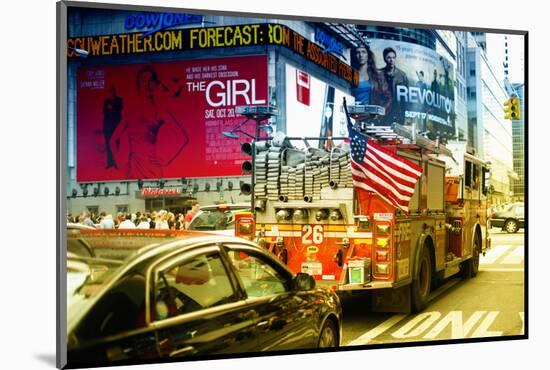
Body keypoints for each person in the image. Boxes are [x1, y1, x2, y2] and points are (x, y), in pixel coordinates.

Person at [110, 66, 189, 179]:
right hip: (133, 166)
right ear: (138, 85)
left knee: (158, 196)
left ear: (155, 84)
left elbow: (183, 138)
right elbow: (113, 139)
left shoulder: (159, 109)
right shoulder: (130, 110)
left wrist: (165, 160)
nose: (146, 84)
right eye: (143, 81)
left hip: (151, 166)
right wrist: (118, 162)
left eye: (150, 81)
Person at [352, 45, 392, 112]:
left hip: (370, 116)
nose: (361, 55)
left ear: (368, 55)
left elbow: (388, 98)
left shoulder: (377, 76)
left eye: (363, 52)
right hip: (353, 114)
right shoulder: (350, 74)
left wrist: (380, 111)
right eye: (357, 52)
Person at [379, 47, 409, 124]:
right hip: (383, 112)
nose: (391, 60)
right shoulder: (379, 74)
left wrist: (405, 115)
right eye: (389, 57)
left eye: (393, 57)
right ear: (384, 59)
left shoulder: (402, 75)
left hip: (398, 113)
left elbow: (406, 98)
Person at [103, 86, 123, 170]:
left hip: (117, 125)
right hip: (108, 126)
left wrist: (112, 108)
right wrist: (112, 110)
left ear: (115, 92)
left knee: (117, 144)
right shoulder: (106, 101)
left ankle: (116, 162)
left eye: (113, 91)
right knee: (108, 144)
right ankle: (110, 162)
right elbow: (104, 111)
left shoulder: (119, 100)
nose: (112, 93)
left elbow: (120, 109)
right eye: (110, 92)